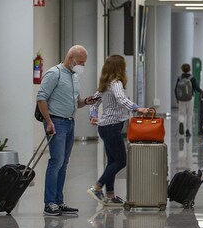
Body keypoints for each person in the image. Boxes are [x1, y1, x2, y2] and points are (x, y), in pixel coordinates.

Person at [36, 45, 99, 216]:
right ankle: (49, 203)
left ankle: (58, 201)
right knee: (56, 161)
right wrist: (48, 122)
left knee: (63, 164)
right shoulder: (54, 74)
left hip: (70, 122)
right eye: (80, 62)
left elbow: (76, 102)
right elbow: (41, 98)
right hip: (56, 122)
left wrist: (86, 101)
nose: (82, 66)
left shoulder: (74, 77)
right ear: (71, 58)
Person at [87, 55, 150, 206]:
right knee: (121, 161)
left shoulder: (105, 84)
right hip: (113, 127)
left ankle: (110, 195)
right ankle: (97, 187)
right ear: (119, 68)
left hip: (104, 127)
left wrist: (93, 115)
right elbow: (122, 99)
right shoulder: (116, 83)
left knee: (112, 161)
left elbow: (93, 102)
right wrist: (137, 108)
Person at [175, 63, 203, 137]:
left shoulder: (179, 78)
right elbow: (196, 87)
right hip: (190, 98)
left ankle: (181, 122)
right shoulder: (192, 78)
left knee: (181, 113)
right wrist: (201, 91)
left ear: (182, 69)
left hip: (181, 99)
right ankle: (188, 130)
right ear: (189, 69)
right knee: (190, 114)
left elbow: (176, 89)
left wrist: (177, 98)